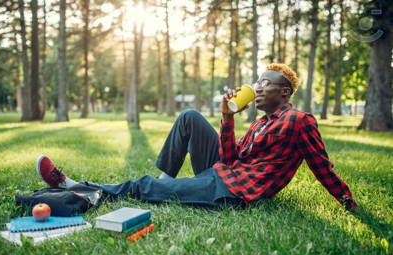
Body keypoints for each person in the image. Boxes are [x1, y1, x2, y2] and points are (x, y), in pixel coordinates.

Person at [36, 63, 358, 211]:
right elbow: (230, 157)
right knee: (189, 116)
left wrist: (346, 200)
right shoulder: (261, 122)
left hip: (233, 190)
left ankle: (72, 187)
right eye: (257, 82)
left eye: (265, 83)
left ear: (284, 92)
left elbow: (321, 165)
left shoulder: (300, 121)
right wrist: (228, 117)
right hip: (224, 171)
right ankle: (166, 181)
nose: (257, 87)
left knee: (142, 186)